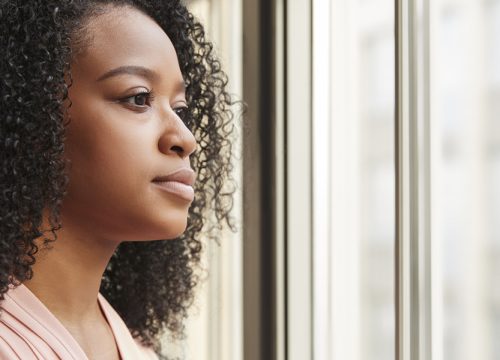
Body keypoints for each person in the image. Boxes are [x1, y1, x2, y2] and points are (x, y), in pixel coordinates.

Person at [0, 0, 237, 359]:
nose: (185, 138)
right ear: (32, 116)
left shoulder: (140, 350)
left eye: (181, 109)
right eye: (139, 98)